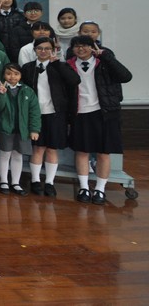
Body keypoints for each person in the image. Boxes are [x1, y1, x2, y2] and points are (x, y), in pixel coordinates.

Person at [67, 35, 132, 205]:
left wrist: (105, 56)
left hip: (105, 113)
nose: (81, 49)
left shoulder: (104, 62)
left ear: (93, 47)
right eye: (77, 46)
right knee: (82, 151)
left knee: (104, 153)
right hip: (80, 113)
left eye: (85, 45)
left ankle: (100, 189)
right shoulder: (68, 65)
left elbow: (126, 76)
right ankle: (84, 187)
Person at [21, 37, 80, 197]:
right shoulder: (27, 68)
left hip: (56, 113)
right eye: (40, 48)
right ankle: (35, 180)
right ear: (35, 50)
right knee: (38, 148)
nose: (43, 51)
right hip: (35, 114)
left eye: (47, 48)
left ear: (53, 50)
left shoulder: (60, 66)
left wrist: (57, 64)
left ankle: (49, 182)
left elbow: (75, 81)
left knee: (52, 149)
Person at [0, 63, 41, 196]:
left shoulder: (27, 91)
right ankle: (3, 181)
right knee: (5, 154)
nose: (12, 77)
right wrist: (1, 94)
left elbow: (34, 112)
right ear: (3, 75)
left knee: (18, 155)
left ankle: (15, 182)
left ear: (20, 75)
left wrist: (34, 129)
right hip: (5, 128)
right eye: (8, 73)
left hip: (22, 129)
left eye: (16, 74)